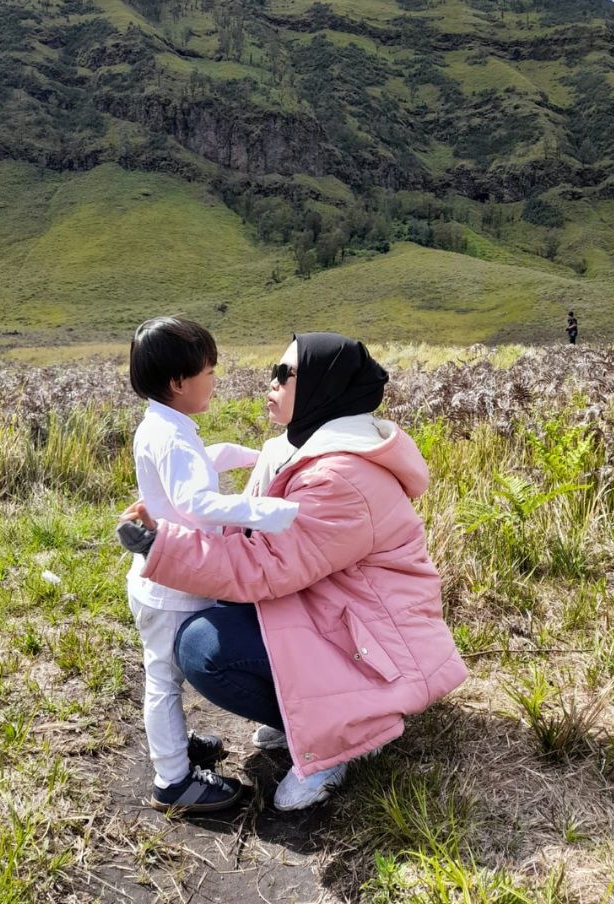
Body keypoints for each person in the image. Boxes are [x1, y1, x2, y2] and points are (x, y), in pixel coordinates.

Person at [119, 332, 468, 812]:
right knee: (210, 622)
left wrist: (165, 546)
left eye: (285, 374)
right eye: (273, 371)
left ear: (324, 386)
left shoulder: (338, 477)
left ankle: (346, 736)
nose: (273, 381)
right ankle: (302, 718)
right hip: (336, 620)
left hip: (376, 650)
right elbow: (253, 542)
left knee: (203, 647)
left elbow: (264, 565)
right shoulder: (298, 449)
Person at [123, 317, 299, 813]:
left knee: (164, 675)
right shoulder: (173, 438)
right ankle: (173, 779)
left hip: (162, 574)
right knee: (163, 680)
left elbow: (205, 457)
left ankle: (176, 747)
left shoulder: (163, 425)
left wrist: (256, 456)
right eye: (209, 372)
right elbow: (196, 503)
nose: (215, 381)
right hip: (171, 586)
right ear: (179, 382)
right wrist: (265, 511)